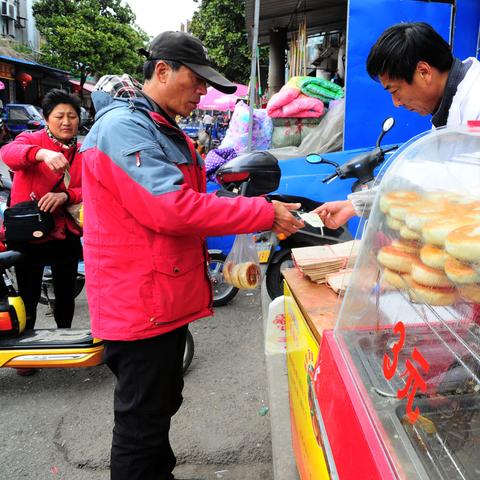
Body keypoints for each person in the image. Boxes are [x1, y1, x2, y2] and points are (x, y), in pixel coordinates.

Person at [80, 31, 303, 480]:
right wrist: (260, 212)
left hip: (158, 297)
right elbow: (170, 207)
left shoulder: (158, 126)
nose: (203, 92)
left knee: (159, 407)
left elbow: (184, 196)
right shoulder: (124, 128)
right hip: (138, 303)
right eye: (197, 80)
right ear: (162, 71)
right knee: (141, 426)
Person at [315, 21, 480, 229]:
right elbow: (431, 182)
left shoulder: (475, 103)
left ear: (424, 72)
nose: (396, 103)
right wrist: (354, 206)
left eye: (395, 91)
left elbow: (461, 192)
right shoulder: (447, 108)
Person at [0, 89, 83, 374]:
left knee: (65, 293)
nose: (66, 121)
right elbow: (8, 154)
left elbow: (95, 187)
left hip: (65, 232)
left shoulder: (83, 151)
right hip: (28, 233)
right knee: (28, 294)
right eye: (59, 116)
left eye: (72, 116)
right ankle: (25, 353)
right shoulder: (31, 140)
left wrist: (67, 196)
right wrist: (41, 154)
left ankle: (65, 343)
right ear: (47, 119)